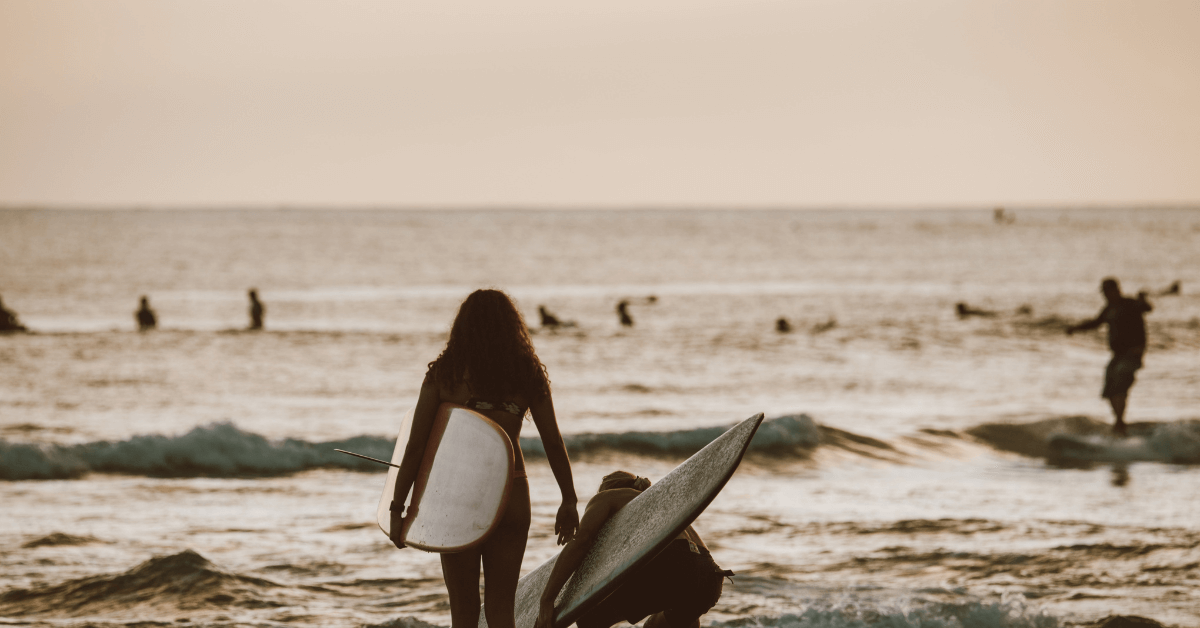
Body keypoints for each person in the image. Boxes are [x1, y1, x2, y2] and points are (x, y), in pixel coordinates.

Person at [390, 289, 579, 628]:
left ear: (462, 328)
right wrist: (568, 498)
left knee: (463, 610)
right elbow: (553, 441)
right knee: (501, 610)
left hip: (458, 494)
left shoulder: (444, 375)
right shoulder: (527, 374)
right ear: (512, 327)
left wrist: (397, 508)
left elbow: (416, 447)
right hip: (512, 492)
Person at [535, 471, 729, 628]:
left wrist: (547, 600)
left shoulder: (608, 497)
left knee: (589, 618)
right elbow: (691, 566)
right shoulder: (664, 506)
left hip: (676, 564)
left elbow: (582, 540)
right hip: (710, 579)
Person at [1066, 278, 1152, 437]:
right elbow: (1095, 323)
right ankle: (1119, 423)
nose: (1106, 295)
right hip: (1118, 355)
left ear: (1116, 290)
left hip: (1132, 354)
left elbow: (1146, 307)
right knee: (1109, 389)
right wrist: (1075, 328)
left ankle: (1119, 425)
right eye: (1104, 292)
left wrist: (1142, 299)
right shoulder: (1109, 309)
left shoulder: (1130, 304)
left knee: (1120, 382)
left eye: (1108, 291)